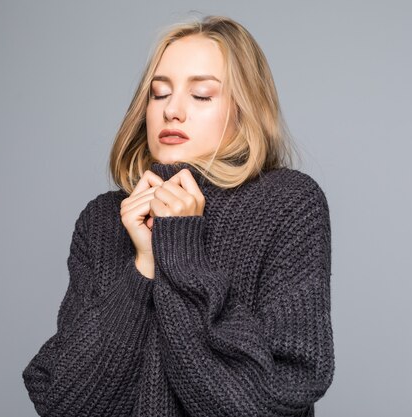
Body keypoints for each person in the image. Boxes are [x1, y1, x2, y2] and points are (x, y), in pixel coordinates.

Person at [22, 14, 334, 417]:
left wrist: (183, 254)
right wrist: (143, 267)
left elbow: (269, 402)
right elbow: (64, 403)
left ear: (246, 110)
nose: (172, 110)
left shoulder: (288, 204)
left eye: (201, 95)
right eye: (159, 93)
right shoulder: (103, 220)